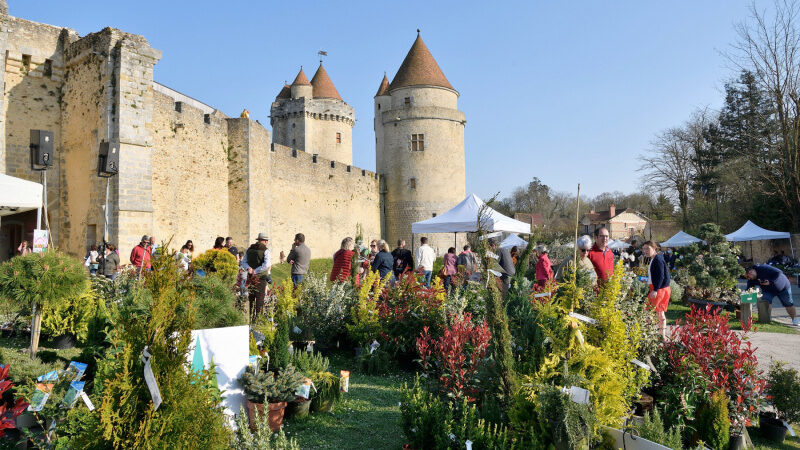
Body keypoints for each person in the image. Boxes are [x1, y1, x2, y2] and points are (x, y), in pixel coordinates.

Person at [643, 241, 671, 338]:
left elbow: (661, 276)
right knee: (659, 312)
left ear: (654, 248)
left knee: (650, 311)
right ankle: (661, 335)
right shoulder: (655, 258)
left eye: (647, 248)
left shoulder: (657, 259)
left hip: (659, 289)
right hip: (661, 288)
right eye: (644, 249)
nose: (645, 251)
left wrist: (655, 289)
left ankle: (652, 334)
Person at [242, 233, 272, 319]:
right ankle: (259, 319)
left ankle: (251, 317)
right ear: (265, 241)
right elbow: (266, 265)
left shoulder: (249, 249)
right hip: (261, 277)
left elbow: (243, 262)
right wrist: (256, 270)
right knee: (260, 298)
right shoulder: (266, 250)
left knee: (251, 297)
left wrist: (249, 269)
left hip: (250, 275)